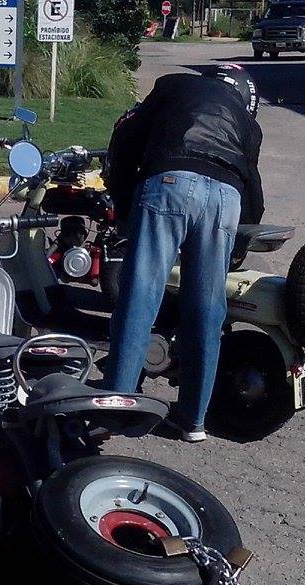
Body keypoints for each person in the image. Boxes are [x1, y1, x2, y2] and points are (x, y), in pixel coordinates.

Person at [103, 64, 264, 443]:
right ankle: (193, 419)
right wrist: (237, 248)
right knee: (207, 310)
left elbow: (125, 141)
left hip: (171, 179)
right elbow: (254, 193)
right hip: (226, 198)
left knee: (141, 295)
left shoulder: (172, 86)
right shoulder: (247, 123)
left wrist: (124, 209)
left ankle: (117, 404)